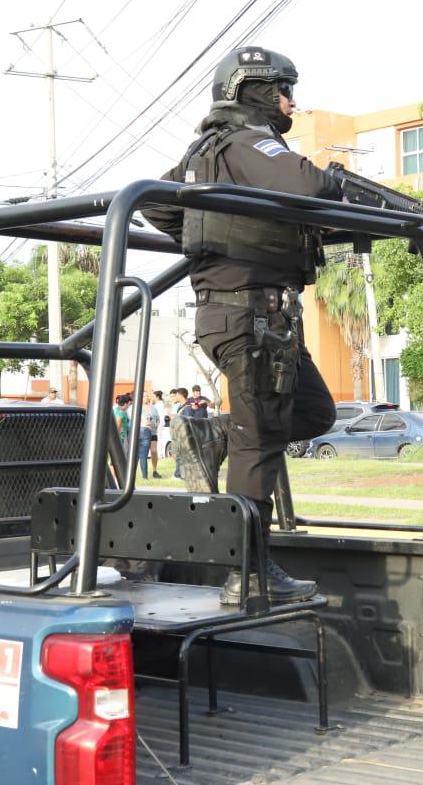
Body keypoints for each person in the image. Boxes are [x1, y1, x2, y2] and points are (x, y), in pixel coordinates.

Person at [139, 45, 340, 605]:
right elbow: (308, 185)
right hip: (250, 314)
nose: (291, 101)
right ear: (253, 89)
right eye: (283, 89)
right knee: (260, 444)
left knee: (314, 413)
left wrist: (226, 225)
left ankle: (214, 433)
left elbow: (160, 207)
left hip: (259, 315)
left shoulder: (206, 152)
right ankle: (248, 574)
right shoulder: (248, 141)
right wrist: (338, 184)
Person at [139, 392, 163, 480]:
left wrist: (155, 425)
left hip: (153, 432)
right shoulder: (138, 407)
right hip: (143, 431)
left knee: (153, 451)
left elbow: (158, 419)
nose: (146, 397)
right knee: (142, 454)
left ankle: (155, 471)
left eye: (147, 396)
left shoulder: (153, 408)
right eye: (144, 396)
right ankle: (143, 474)